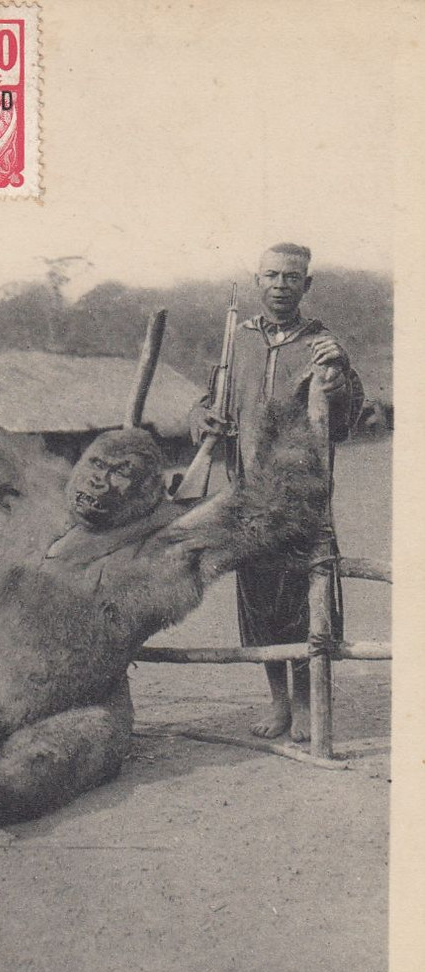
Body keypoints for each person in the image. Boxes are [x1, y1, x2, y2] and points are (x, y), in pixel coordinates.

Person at [187, 244, 364, 741]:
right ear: (257, 281)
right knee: (257, 599)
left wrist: (343, 376)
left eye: (292, 277)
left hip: (301, 498)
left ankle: (307, 705)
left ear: (307, 285)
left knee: (305, 601)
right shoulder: (237, 343)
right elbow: (208, 402)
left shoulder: (322, 344)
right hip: (246, 498)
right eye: (271, 275)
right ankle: (279, 703)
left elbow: (346, 419)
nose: (281, 284)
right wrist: (199, 417)